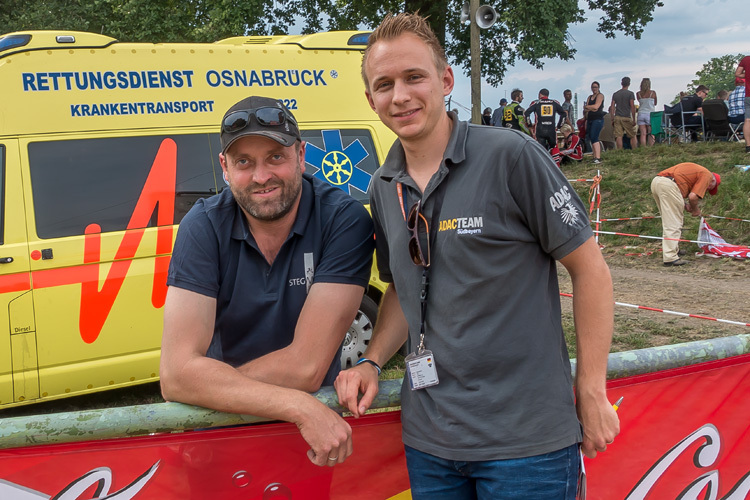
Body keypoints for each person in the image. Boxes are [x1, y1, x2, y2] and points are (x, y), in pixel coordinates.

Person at [336, 12, 619, 499]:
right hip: (431, 444)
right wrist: (373, 361)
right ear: (370, 99)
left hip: (526, 445)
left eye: (414, 77)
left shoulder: (511, 156)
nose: (400, 95)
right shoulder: (382, 187)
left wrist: (591, 388)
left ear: (445, 80)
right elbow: (406, 294)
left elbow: (590, 270)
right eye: (384, 84)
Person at [159, 95, 375, 468]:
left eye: (275, 157)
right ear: (225, 168)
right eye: (244, 162)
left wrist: (208, 388)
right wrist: (297, 404)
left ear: (302, 155)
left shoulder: (343, 219)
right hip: (228, 437)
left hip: (307, 441)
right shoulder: (203, 225)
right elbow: (176, 376)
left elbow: (306, 367)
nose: (261, 177)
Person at [651, 162, 720, 267]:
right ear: (713, 181)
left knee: (668, 220)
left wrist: (684, 204)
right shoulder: (708, 176)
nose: (706, 190)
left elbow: (679, 184)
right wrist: (696, 210)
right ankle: (670, 257)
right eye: (709, 188)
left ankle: (674, 249)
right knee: (673, 223)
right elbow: (693, 197)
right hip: (669, 185)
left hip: (657, 182)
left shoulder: (698, 170)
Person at [610, 76, 638, 150]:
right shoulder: (630, 94)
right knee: (632, 135)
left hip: (617, 116)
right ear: (629, 84)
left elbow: (612, 106)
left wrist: (612, 118)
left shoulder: (615, 94)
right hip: (626, 117)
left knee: (619, 136)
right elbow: (632, 106)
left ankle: (619, 151)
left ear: (621, 83)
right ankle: (635, 150)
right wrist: (634, 119)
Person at [585, 81, 605, 164]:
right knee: (591, 137)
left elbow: (596, 107)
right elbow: (586, 108)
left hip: (598, 119)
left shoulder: (600, 96)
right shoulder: (590, 97)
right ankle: (594, 156)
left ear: (598, 88)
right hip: (590, 119)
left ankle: (598, 157)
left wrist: (589, 107)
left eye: (596, 87)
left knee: (595, 136)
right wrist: (590, 108)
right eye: (593, 87)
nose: (594, 89)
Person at [636, 78, 657, 147]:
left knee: (643, 133)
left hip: (641, 113)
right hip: (650, 114)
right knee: (651, 132)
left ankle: (643, 147)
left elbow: (640, 102)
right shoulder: (653, 93)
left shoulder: (638, 94)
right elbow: (655, 103)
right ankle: (651, 146)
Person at [736, 56, 750, 153]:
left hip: (748, 95)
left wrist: (746, 75)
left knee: (748, 120)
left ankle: (748, 146)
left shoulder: (746, 59)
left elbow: (737, 73)